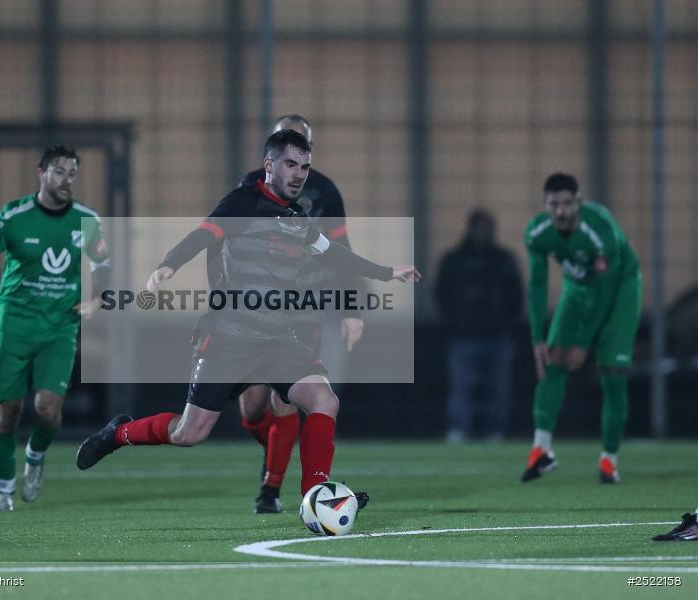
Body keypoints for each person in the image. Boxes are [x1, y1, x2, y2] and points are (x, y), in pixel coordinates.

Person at [76, 130, 420, 509]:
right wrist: (167, 266)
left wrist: (388, 272)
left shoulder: (298, 219)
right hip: (228, 340)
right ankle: (118, 433)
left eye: (305, 167)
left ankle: (315, 494)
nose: (299, 174)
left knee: (324, 400)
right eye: (291, 164)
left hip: (277, 340)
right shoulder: (242, 203)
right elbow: (202, 235)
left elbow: (335, 256)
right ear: (270, 164)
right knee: (189, 433)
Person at [0, 146, 109, 512]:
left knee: (48, 408)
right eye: (60, 172)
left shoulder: (87, 219)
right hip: (14, 324)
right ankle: (3, 490)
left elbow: (104, 265)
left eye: (73, 174)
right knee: (7, 412)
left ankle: (35, 455)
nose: (67, 180)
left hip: (60, 326)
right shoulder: (13, 216)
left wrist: (99, 298)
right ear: (41, 173)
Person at [234, 114, 364, 514]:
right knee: (252, 408)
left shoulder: (325, 192)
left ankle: (271, 490)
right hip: (254, 308)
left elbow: (342, 251)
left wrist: (351, 307)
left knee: (286, 397)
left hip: (302, 308)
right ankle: (276, 452)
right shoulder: (249, 186)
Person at [521, 172, 641, 484]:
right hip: (578, 289)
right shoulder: (538, 232)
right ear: (546, 205)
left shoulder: (599, 230)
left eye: (566, 203)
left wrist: (583, 343)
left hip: (619, 292)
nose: (560, 211)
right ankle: (541, 449)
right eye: (553, 204)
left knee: (612, 374)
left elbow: (605, 290)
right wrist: (537, 338)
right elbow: (536, 283)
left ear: (578, 202)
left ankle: (609, 459)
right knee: (551, 360)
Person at [435, 209, 522, 443]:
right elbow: (442, 294)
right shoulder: (454, 260)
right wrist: (453, 323)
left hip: (498, 335)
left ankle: (495, 431)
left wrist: (506, 323)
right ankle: (459, 429)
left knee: (498, 388)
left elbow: (516, 295)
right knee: (462, 387)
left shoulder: (503, 260)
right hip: (463, 336)